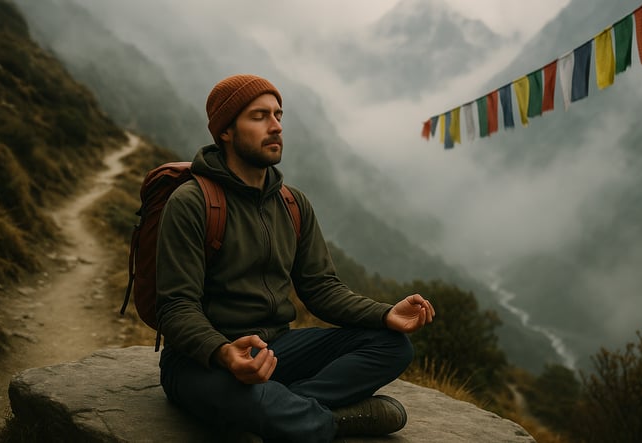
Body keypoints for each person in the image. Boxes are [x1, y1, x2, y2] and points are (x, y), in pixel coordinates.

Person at [155, 74, 435, 442]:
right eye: (259, 116)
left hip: (275, 350)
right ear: (225, 130)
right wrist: (224, 353)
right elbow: (175, 307)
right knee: (255, 402)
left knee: (392, 345)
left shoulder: (292, 203)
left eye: (278, 115)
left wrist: (384, 313)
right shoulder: (192, 203)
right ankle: (332, 419)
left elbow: (321, 289)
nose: (275, 127)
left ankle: (286, 407)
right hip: (202, 360)